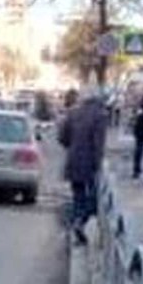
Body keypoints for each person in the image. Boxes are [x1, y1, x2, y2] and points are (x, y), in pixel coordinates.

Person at [58, 86, 107, 246]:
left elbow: (62, 137)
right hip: (90, 163)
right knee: (93, 198)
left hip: (73, 160)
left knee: (78, 195)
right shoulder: (100, 115)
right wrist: (98, 164)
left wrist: (72, 147)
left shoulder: (73, 112)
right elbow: (99, 143)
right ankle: (80, 222)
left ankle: (78, 227)